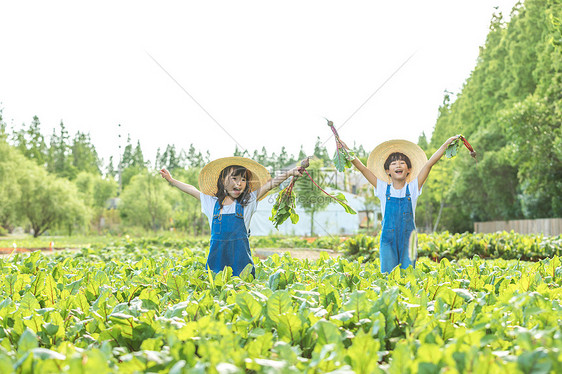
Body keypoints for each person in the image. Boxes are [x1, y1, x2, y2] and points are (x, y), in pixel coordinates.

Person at [160, 156, 302, 278]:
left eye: (243, 180)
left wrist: (290, 173)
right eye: (234, 178)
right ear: (222, 181)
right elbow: (192, 189)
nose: (238, 183)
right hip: (216, 271)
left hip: (242, 270)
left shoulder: (249, 201)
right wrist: (171, 180)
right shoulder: (212, 203)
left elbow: (271, 184)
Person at [342, 136, 459, 273]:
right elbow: (362, 168)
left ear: (408, 169)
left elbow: (429, 164)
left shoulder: (414, 187)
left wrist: (445, 144)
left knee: (407, 276)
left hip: (409, 240)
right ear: (387, 171)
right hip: (388, 239)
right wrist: (345, 149)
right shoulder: (382, 188)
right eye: (393, 164)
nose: (398, 165)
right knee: (387, 276)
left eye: (402, 163)